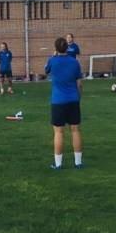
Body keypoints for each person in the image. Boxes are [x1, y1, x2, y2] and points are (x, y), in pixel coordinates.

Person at [45, 37, 84, 170]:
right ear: (67, 48)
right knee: (75, 130)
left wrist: (53, 55)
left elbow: (46, 70)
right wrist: (78, 97)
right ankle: (78, 163)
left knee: (59, 132)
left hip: (58, 101)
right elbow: (79, 83)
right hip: (73, 99)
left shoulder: (52, 60)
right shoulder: (74, 62)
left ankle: (58, 164)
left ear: (55, 48)